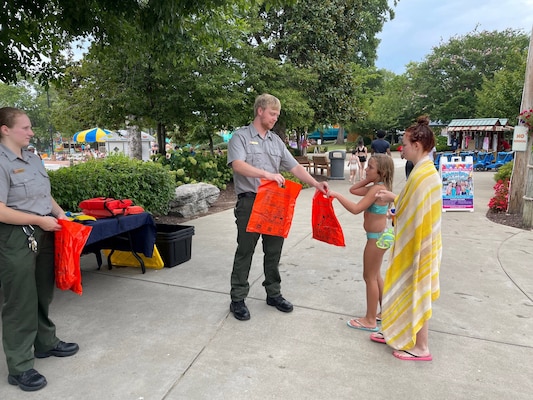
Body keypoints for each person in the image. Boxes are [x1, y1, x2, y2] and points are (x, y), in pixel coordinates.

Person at [227, 94, 329, 321]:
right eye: (273, 114)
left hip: (274, 204)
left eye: (277, 115)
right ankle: (238, 298)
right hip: (250, 202)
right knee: (245, 251)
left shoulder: (275, 141)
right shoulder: (240, 137)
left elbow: (294, 167)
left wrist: (315, 183)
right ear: (260, 111)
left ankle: (273, 293)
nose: (275, 118)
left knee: (273, 251)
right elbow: (238, 164)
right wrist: (265, 174)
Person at [0, 107, 79, 391]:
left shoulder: (33, 159)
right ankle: (20, 366)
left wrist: (60, 215)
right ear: (5, 130)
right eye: (26, 128)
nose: (31, 132)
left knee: (43, 291)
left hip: (44, 231)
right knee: (19, 300)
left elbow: (46, 195)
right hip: (15, 236)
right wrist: (39, 221)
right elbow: (1, 211)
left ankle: (45, 342)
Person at [372, 115, 442, 361]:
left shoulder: (424, 174)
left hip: (419, 245)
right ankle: (394, 330)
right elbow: (411, 205)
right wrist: (395, 201)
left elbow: (416, 211)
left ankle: (422, 347)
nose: (401, 147)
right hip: (417, 242)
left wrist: (393, 203)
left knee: (416, 290)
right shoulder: (422, 171)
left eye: (404, 142)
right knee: (402, 286)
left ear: (418, 145)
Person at [328, 154, 395, 332]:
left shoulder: (376, 189)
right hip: (381, 235)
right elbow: (354, 190)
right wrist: (368, 178)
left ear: (381, 171)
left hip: (376, 237)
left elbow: (356, 209)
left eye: (370, 167)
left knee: (369, 277)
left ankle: (370, 320)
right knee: (376, 275)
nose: (366, 169)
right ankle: (385, 312)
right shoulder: (378, 187)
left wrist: (336, 195)